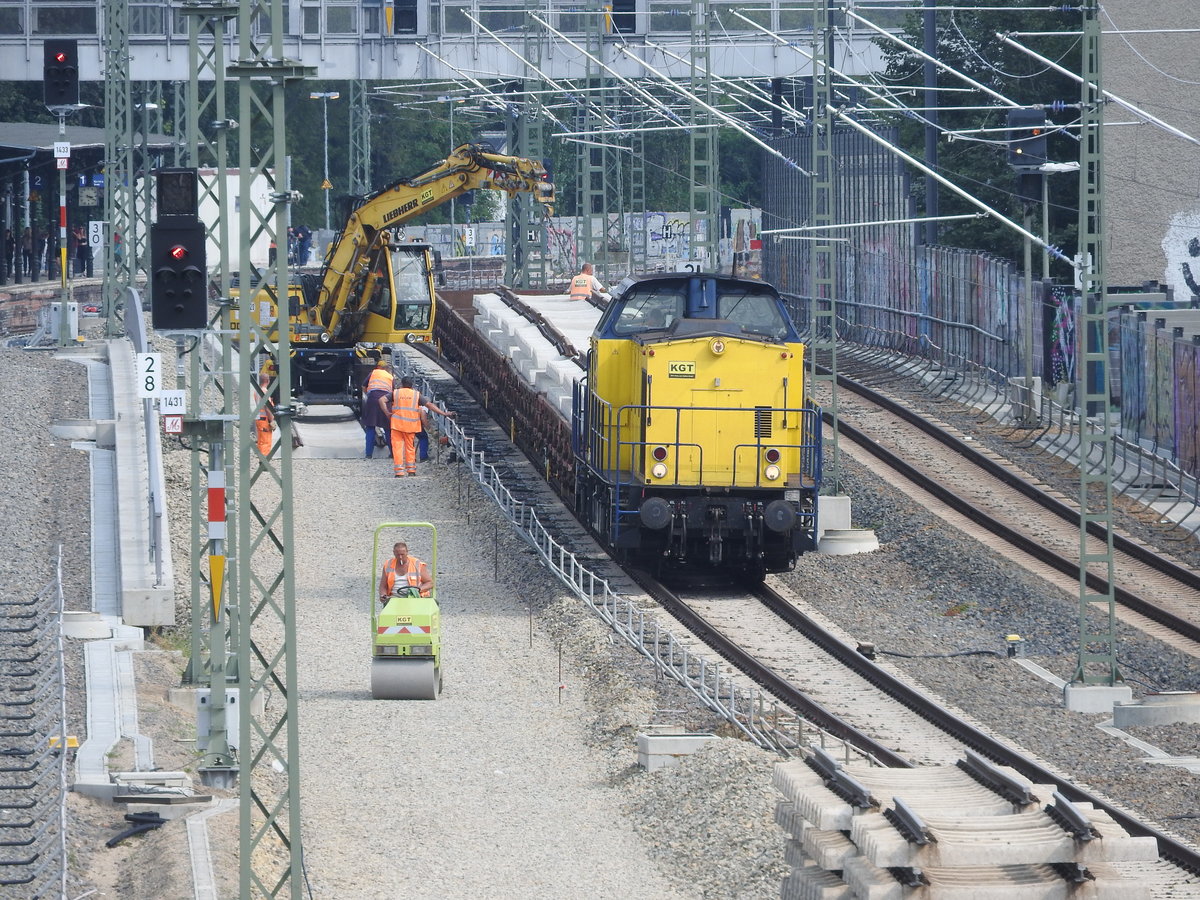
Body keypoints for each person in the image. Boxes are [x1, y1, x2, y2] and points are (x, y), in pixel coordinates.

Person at [383, 376, 454, 478]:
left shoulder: (396, 393)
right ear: (411, 385)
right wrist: (443, 413)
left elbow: (381, 400)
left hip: (397, 425)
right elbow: (429, 405)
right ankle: (411, 471)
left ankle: (399, 472)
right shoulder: (416, 395)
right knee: (410, 447)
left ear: (402, 384)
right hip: (410, 426)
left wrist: (387, 412)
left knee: (397, 448)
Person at [361, 359, 394, 459]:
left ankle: (368, 454)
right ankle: (392, 453)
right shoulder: (390, 376)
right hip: (385, 401)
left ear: (378, 367)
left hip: (372, 400)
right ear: (386, 368)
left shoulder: (373, 373)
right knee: (387, 428)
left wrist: (368, 394)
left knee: (370, 427)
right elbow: (393, 392)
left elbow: (363, 386)